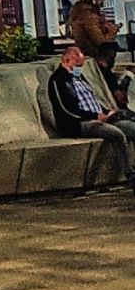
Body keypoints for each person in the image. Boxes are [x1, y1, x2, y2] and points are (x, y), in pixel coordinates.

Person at [48, 44, 135, 185]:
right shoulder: (58, 80)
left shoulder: (80, 77)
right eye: (77, 65)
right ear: (67, 60)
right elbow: (66, 108)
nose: (79, 69)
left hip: (99, 117)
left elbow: (92, 101)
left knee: (131, 127)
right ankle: (129, 173)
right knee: (117, 134)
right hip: (79, 123)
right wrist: (94, 117)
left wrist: (106, 112)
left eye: (81, 65)